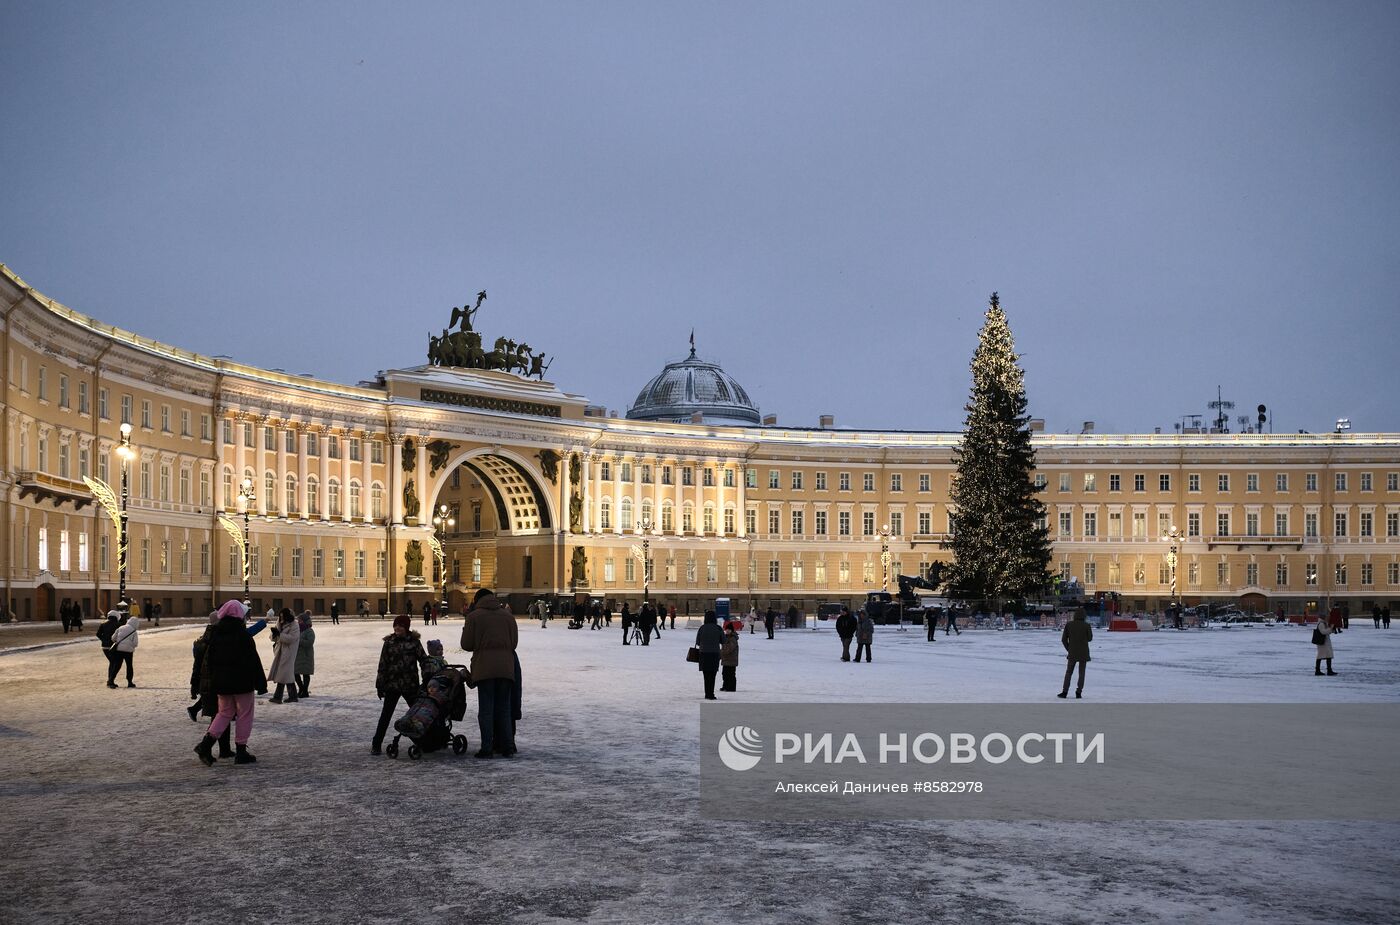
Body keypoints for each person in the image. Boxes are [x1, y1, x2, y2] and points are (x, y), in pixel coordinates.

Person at [195, 600, 267, 766]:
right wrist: (261, 683)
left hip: (222, 683)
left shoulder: (216, 634)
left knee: (224, 713)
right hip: (242, 683)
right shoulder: (243, 636)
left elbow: (209, 661)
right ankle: (241, 752)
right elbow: (253, 661)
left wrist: (212, 681)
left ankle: (205, 745)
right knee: (245, 714)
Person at [460, 588, 519, 758]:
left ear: (478, 600)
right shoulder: (508, 616)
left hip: (484, 669)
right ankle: (507, 746)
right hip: (506, 668)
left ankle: (487, 748)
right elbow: (513, 643)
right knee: (504, 709)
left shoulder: (474, 617)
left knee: (486, 710)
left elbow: (466, 644)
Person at [372, 614, 429, 755]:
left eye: (401, 626)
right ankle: (376, 744)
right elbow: (383, 665)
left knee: (418, 716)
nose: (397, 628)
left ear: (406, 627)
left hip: (410, 685)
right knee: (385, 715)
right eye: (396, 625)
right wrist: (380, 685)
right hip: (392, 685)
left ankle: (426, 742)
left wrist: (427, 677)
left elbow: (423, 660)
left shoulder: (414, 642)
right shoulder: (389, 642)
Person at [267, 609, 301, 703]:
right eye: (280, 616)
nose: (281, 618)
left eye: (283, 616)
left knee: (285, 673)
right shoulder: (279, 623)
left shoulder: (294, 625)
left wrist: (280, 635)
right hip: (280, 651)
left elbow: (292, 638)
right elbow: (272, 637)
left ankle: (280, 697)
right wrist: (274, 634)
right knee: (284, 674)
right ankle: (289, 696)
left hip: (289, 652)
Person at [1058, 609, 1093, 698]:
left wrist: (1069, 649)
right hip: (1083, 653)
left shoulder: (1069, 625)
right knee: (1081, 673)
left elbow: (1063, 639)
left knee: (1069, 672)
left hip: (1072, 652)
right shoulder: (1086, 625)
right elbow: (1090, 638)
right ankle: (1079, 692)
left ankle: (1064, 692)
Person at [695, 612, 724, 700]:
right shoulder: (718, 628)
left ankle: (707, 693)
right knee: (712, 674)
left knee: (706, 675)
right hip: (715, 654)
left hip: (703, 654)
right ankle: (711, 693)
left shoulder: (702, 628)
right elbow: (723, 641)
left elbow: (698, 642)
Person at [107, 612, 140, 688]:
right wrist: (130, 646)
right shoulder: (134, 631)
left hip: (119, 650)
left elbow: (113, 638)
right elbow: (135, 643)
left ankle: (111, 680)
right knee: (129, 666)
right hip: (128, 652)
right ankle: (129, 682)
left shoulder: (121, 628)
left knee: (117, 665)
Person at [295, 610, 316, 698]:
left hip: (306, 655)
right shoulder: (297, 630)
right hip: (297, 656)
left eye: (300, 620)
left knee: (305, 674)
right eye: (298, 620)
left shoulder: (309, 631)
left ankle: (305, 691)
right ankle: (301, 688)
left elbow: (310, 642)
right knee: (295, 673)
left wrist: (299, 640)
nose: (298, 622)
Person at [96, 610, 121, 682]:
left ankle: (110, 680)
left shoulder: (103, 624)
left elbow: (98, 634)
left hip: (104, 647)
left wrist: (103, 640)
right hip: (113, 646)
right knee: (114, 662)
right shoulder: (118, 625)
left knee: (112, 662)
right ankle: (110, 680)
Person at [720, 623, 740, 692]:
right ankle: (725, 686)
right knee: (725, 674)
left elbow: (729, 648)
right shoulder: (725, 637)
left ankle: (731, 687)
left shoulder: (733, 638)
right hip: (726, 659)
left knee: (731, 674)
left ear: (731, 630)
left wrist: (722, 652)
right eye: (726, 630)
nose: (727, 631)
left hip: (731, 659)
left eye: (728, 630)